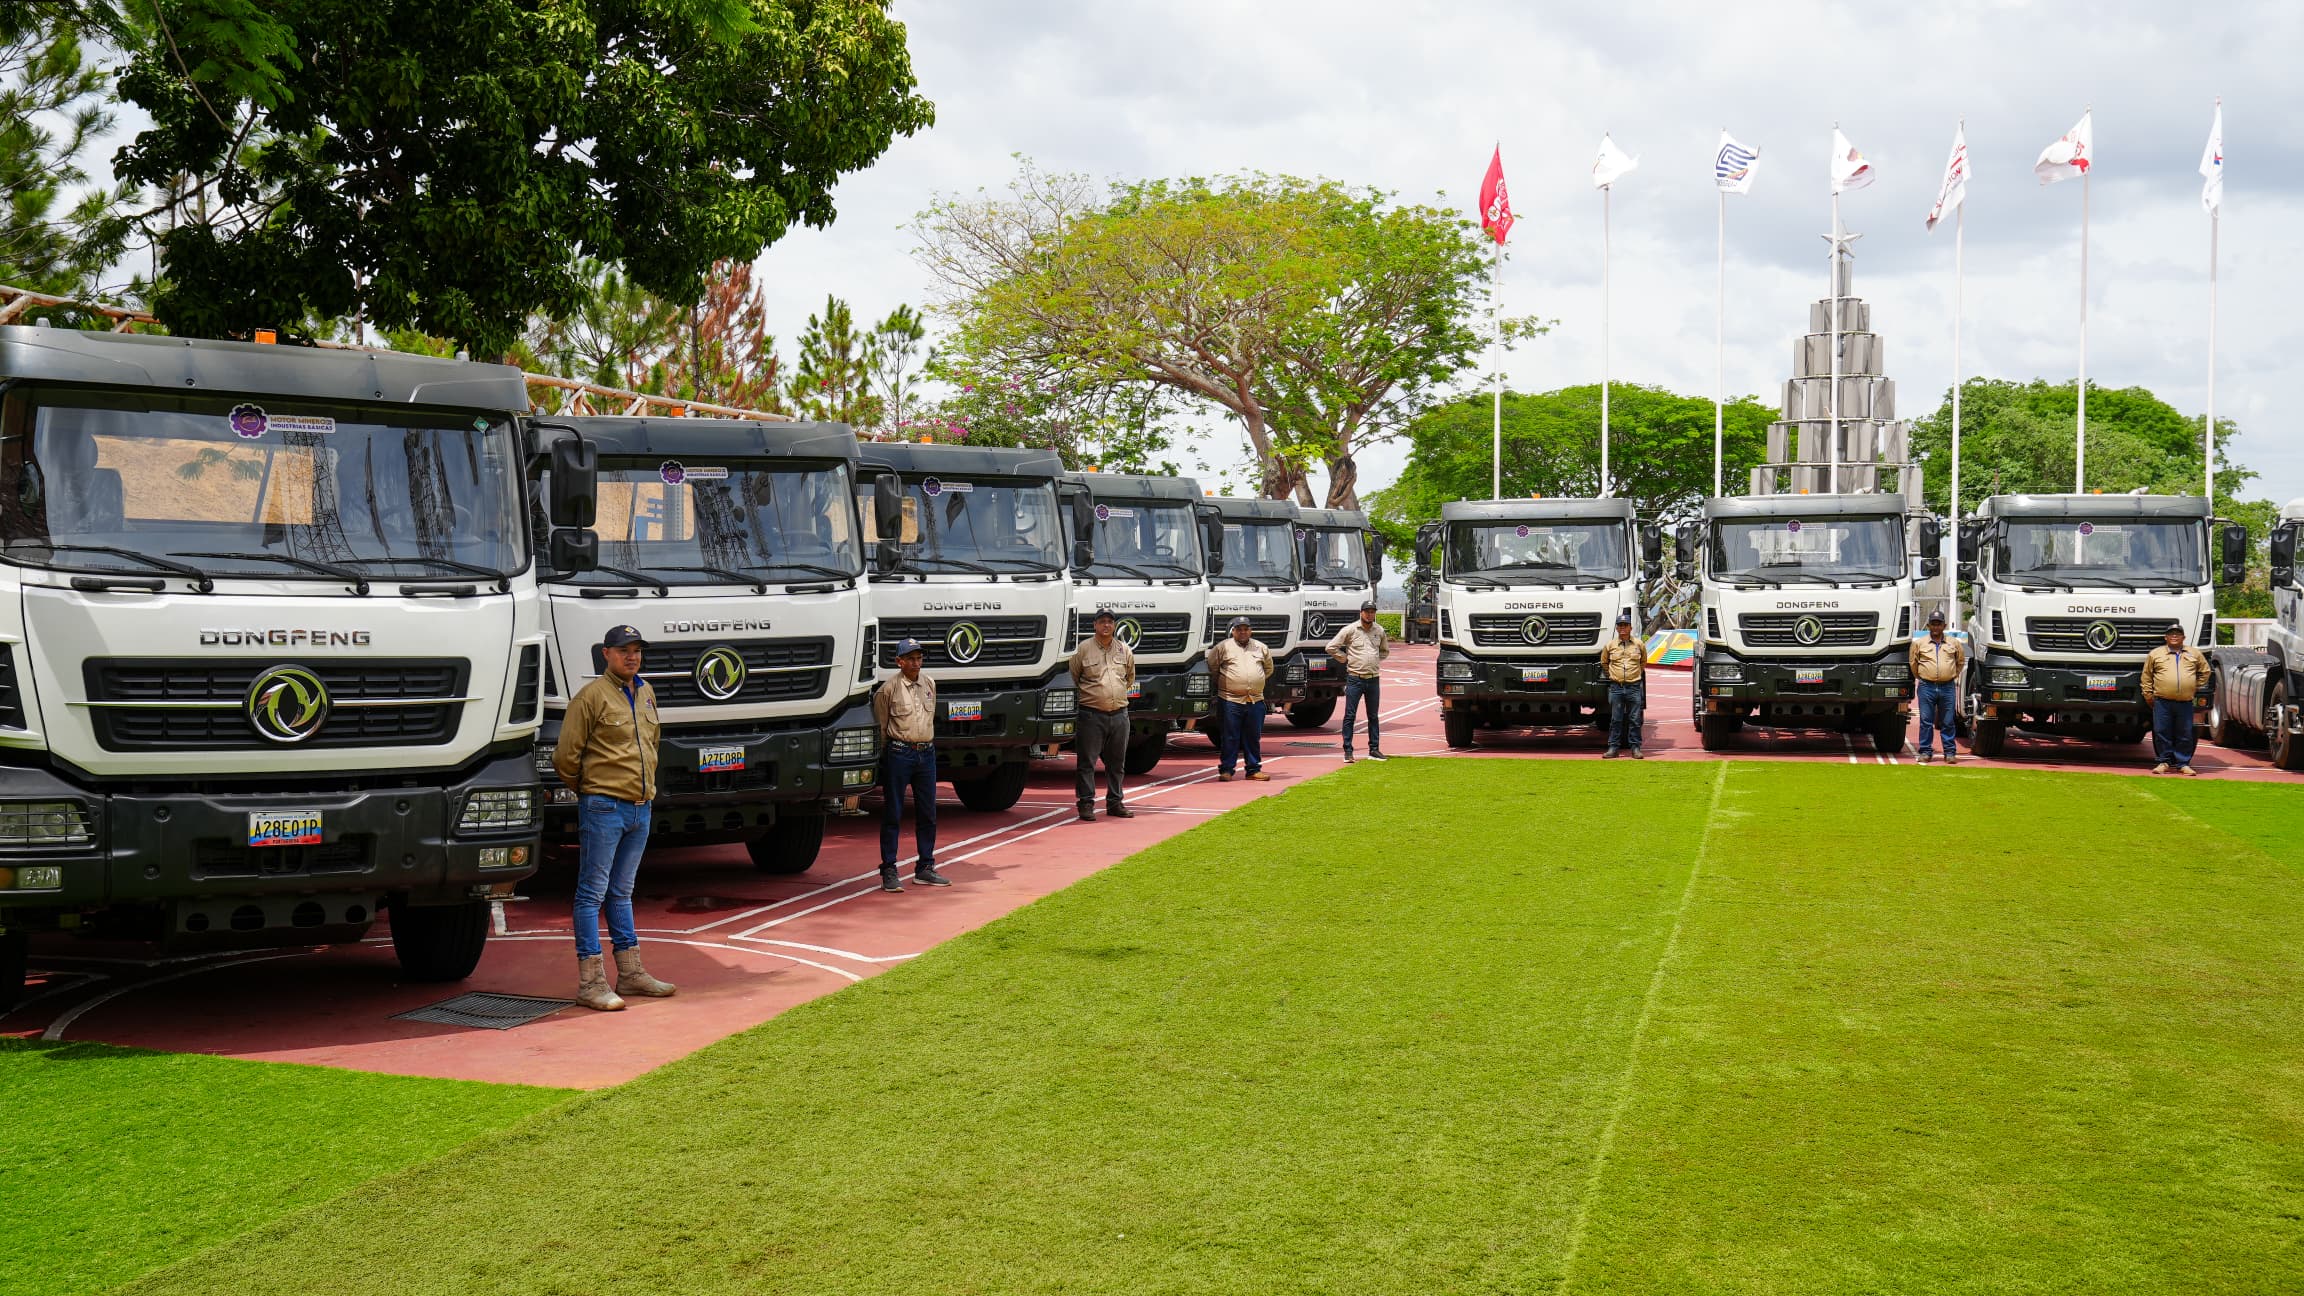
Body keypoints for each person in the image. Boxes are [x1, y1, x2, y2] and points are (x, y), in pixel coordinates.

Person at [551, 624, 676, 1012]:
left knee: (621, 892)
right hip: (604, 806)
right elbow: (565, 757)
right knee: (591, 893)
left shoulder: (646, 691)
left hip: (641, 806)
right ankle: (591, 983)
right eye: (624, 650)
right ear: (606, 654)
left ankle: (631, 974)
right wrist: (592, 789)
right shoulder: (590, 697)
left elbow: (652, 744)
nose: (632, 656)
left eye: (637, 650)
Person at [871, 638, 945, 891]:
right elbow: (881, 729)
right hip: (899, 753)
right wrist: (886, 757)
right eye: (911, 658)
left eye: (919, 658)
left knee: (928, 813)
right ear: (899, 661)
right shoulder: (888, 689)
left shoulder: (929, 683)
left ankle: (925, 867)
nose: (916, 663)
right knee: (893, 812)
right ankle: (889, 869)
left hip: (926, 753)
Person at [1069, 607, 1136, 821]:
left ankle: (1115, 803)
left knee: (1117, 763)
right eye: (1102, 621)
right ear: (1095, 625)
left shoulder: (1124, 649)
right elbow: (1074, 676)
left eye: (1110, 621)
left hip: (1119, 715)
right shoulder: (1083, 649)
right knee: (1087, 763)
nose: (1106, 625)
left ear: (1114, 625)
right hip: (1091, 715)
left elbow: (1130, 678)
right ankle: (1086, 804)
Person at [1206, 616, 1275, 781]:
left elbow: (1268, 669)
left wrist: (1255, 681)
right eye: (1239, 629)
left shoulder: (1261, 647)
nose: (1243, 632)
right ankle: (1226, 770)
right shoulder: (1222, 647)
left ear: (1251, 631)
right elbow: (1213, 667)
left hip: (1255, 700)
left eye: (1246, 629)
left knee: (1253, 737)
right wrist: (1229, 682)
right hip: (1230, 700)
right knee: (1230, 736)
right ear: (1233, 631)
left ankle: (1253, 770)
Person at [2142, 620, 2211, 776]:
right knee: (2161, 731)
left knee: (2185, 733)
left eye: (2178, 634)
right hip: (2162, 701)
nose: (2174, 636)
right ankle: (2164, 762)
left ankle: (2183, 764)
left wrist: (2194, 686)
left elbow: (2205, 671)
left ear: (2183, 637)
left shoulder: (2194, 653)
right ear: (2165, 637)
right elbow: (2147, 676)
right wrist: (2148, 694)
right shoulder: (2156, 654)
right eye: (2171, 634)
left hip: (2185, 702)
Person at [1326, 599, 1390, 763]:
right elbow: (1331, 647)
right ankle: (1348, 751)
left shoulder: (1379, 631)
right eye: (1367, 611)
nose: (1369, 614)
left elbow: (1384, 651)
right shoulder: (1350, 630)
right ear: (1361, 613)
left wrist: (1374, 660)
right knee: (1350, 715)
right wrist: (1345, 658)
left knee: (1373, 716)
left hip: (1373, 679)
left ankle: (1374, 749)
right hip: (1355, 678)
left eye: (1372, 611)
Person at [1909, 609, 1964, 765]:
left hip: (1947, 687)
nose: (1935, 627)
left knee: (1948, 721)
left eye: (1938, 624)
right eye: (1933, 624)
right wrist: (1923, 676)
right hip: (1926, 686)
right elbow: (1913, 664)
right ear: (1928, 626)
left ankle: (1950, 753)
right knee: (1926, 721)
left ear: (1944, 626)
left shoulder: (1954, 643)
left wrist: (1950, 675)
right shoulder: (1919, 644)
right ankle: (1925, 752)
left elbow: (1960, 662)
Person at [1598, 612, 1647, 759]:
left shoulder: (1639, 644)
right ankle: (1613, 748)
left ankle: (1635, 748)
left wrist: (1635, 674)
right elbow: (1604, 662)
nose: (1623, 628)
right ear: (1617, 628)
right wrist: (1613, 675)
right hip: (1616, 687)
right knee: (1616, 719)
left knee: (1635, 719)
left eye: (1625, 625)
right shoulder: (1610, 645)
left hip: (1633, 687)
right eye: (1620, 625)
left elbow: (1643, 662)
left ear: (1631, 627)